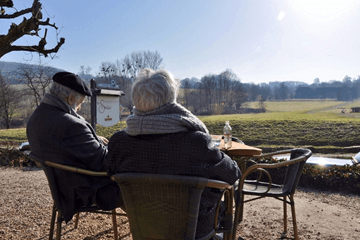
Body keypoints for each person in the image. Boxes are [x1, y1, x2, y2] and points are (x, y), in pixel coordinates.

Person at [105, 68, 241, 238]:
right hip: (195, 229)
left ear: (136, 100)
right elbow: (233, 174)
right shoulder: (197, 142)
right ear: (172, 102)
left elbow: (110, 177)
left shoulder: (119, 142)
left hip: (144, 227)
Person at [26, 71, 123, 223]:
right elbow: (104, 162)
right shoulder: (71, 125)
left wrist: (93, 139)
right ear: (71, 98)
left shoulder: (36, 118)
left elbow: (63, 142)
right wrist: (123, 149)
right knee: (137, 185)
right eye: (80, 103)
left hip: (62, 190)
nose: (78, 108)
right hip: (87, 192)